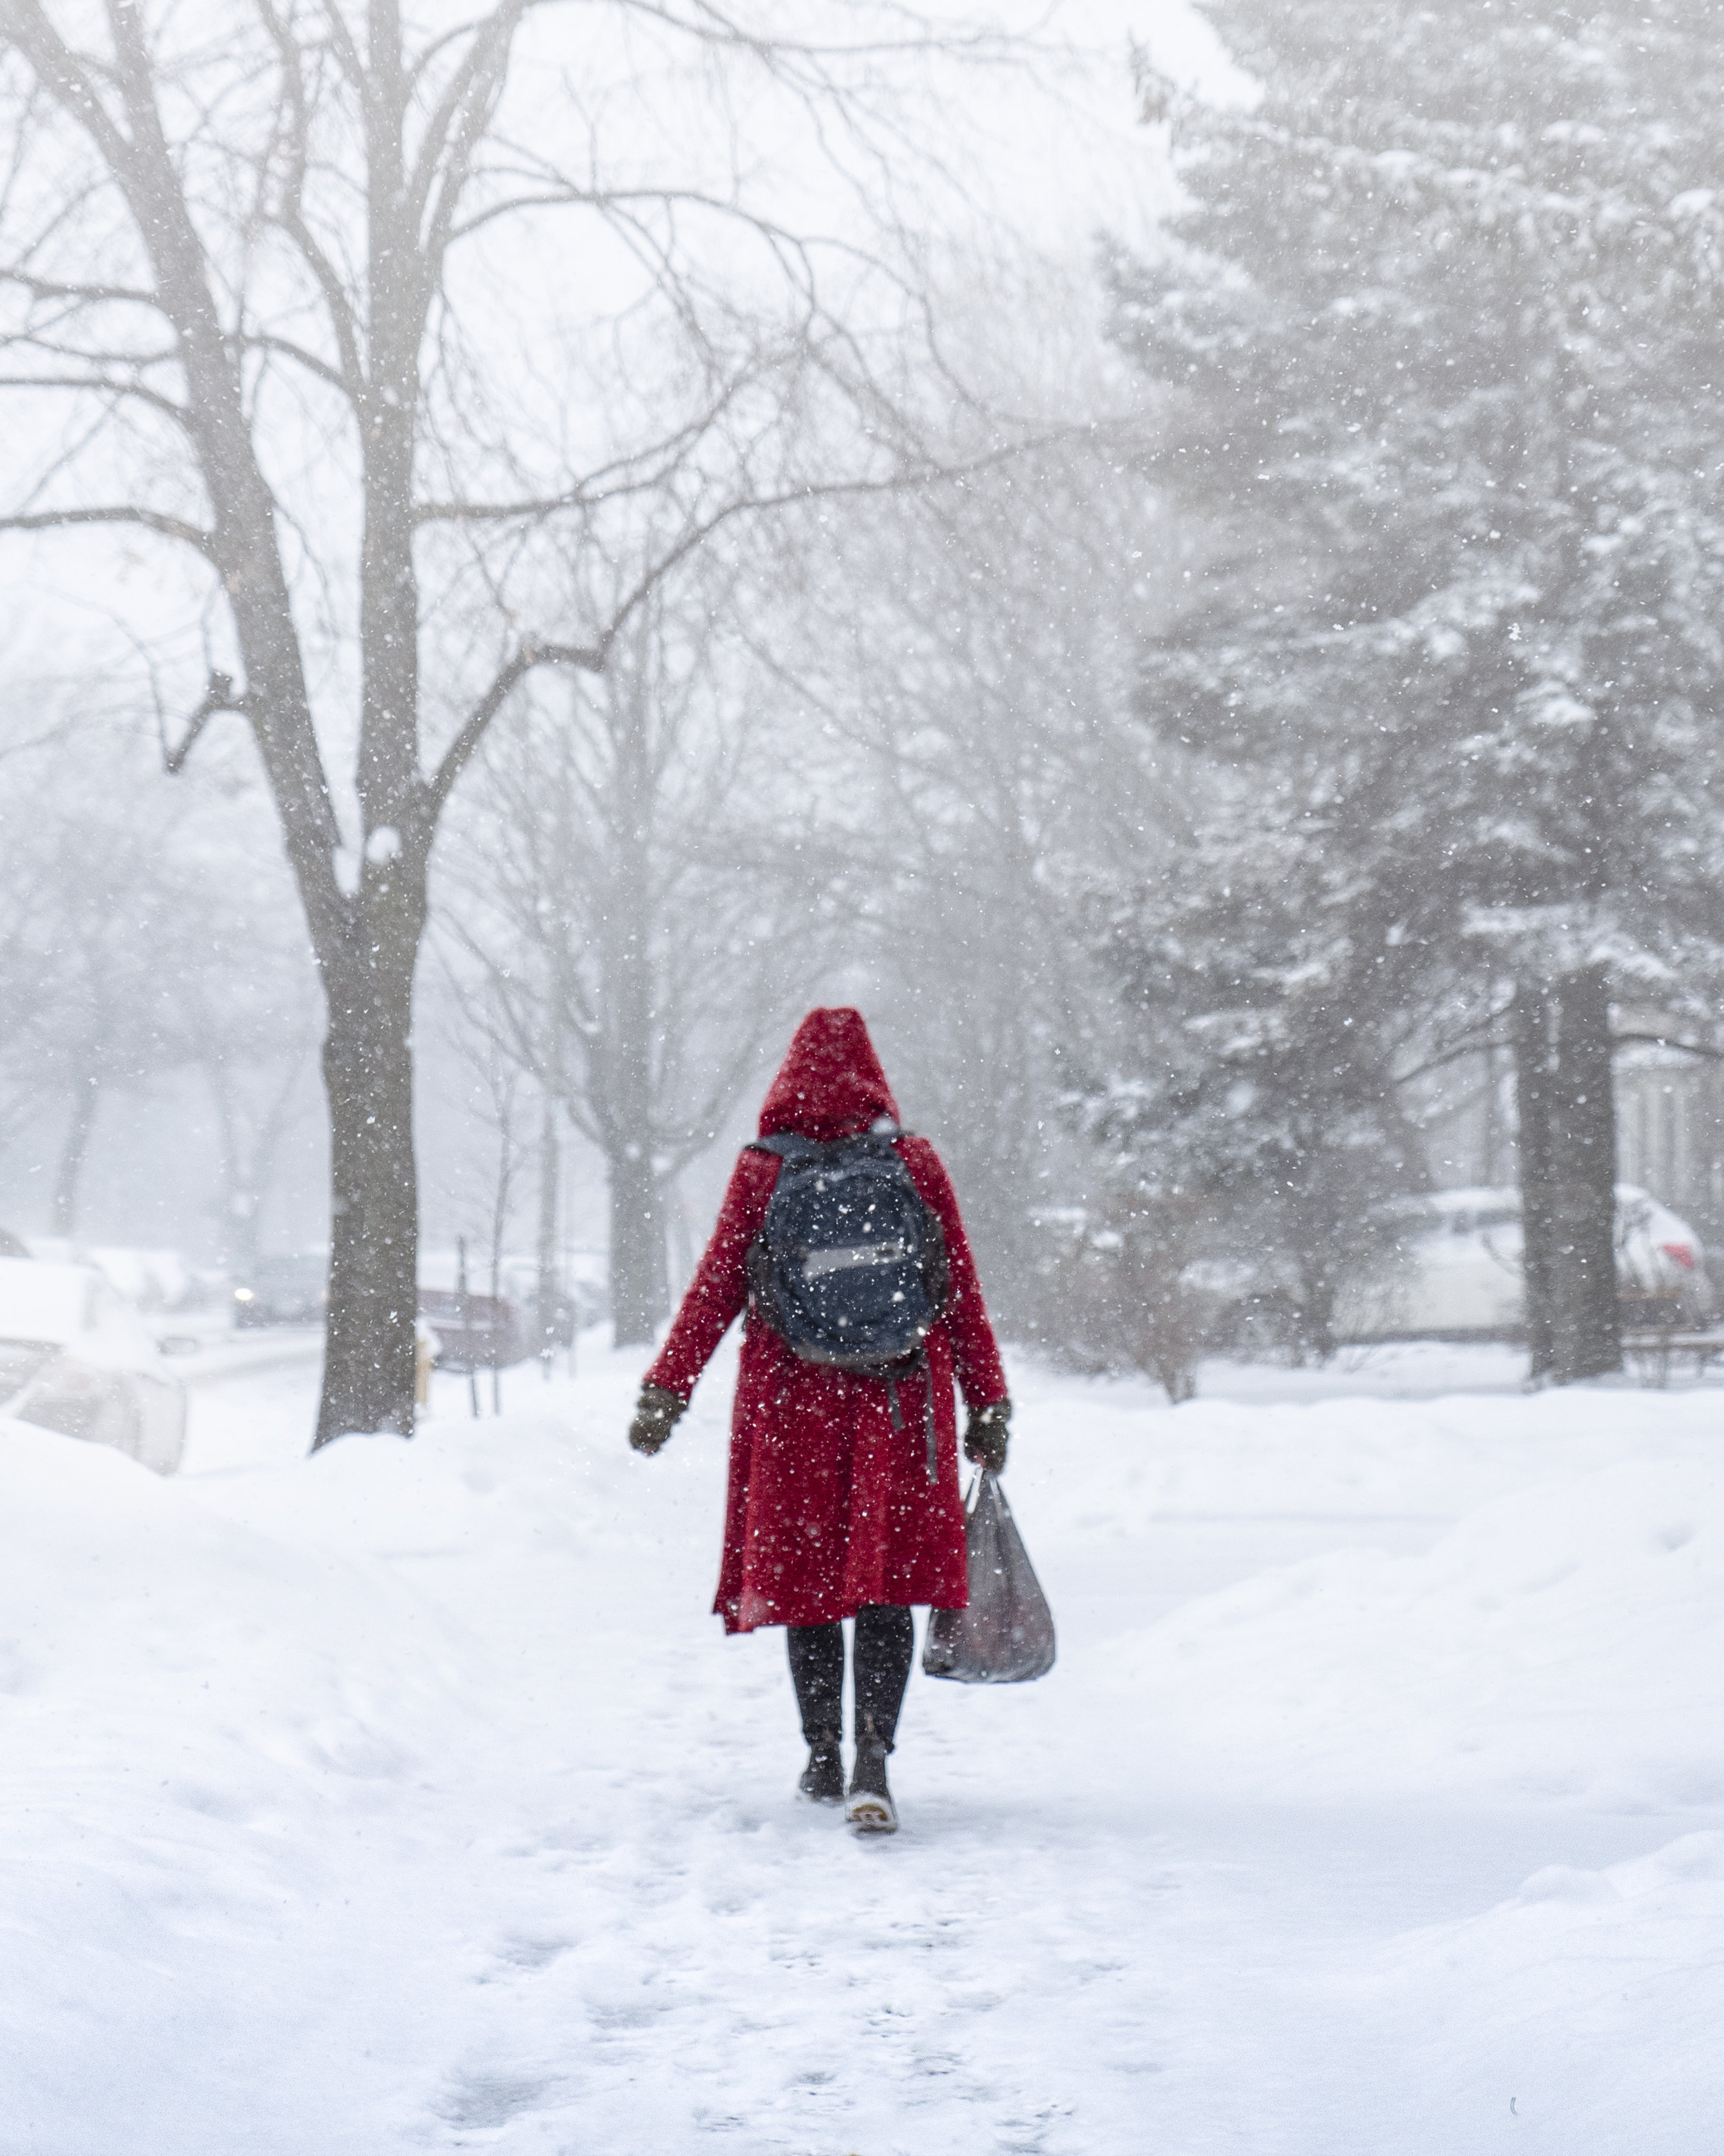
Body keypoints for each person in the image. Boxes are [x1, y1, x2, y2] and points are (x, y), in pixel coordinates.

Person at [625, 1007, 1011, 1834]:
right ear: (874, 1078)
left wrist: (668, 1387)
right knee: (883, 1587)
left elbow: (717, 1289)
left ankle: (823, 1753)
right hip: (899, 1400)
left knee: (806, 1584)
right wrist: (989, 1401)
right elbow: (960, 1292)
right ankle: (875, 1755)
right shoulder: (913, 1163)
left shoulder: (765, 1170)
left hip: (792, 1403)